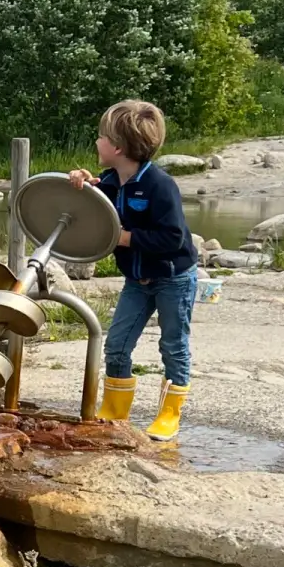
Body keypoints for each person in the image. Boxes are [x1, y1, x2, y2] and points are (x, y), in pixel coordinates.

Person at [69, 99, 198, 442]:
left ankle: (169, 415)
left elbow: (172, 237)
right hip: (136, 281)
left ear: (117, 147)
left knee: (173, 345)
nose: (96, 141)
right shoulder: (111, 182)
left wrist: (124, 238)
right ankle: (115, 411)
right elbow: (91, 207)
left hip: (173, 278)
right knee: (116, 345)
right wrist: (81, 182)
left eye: (101, 136)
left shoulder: (159, 185)